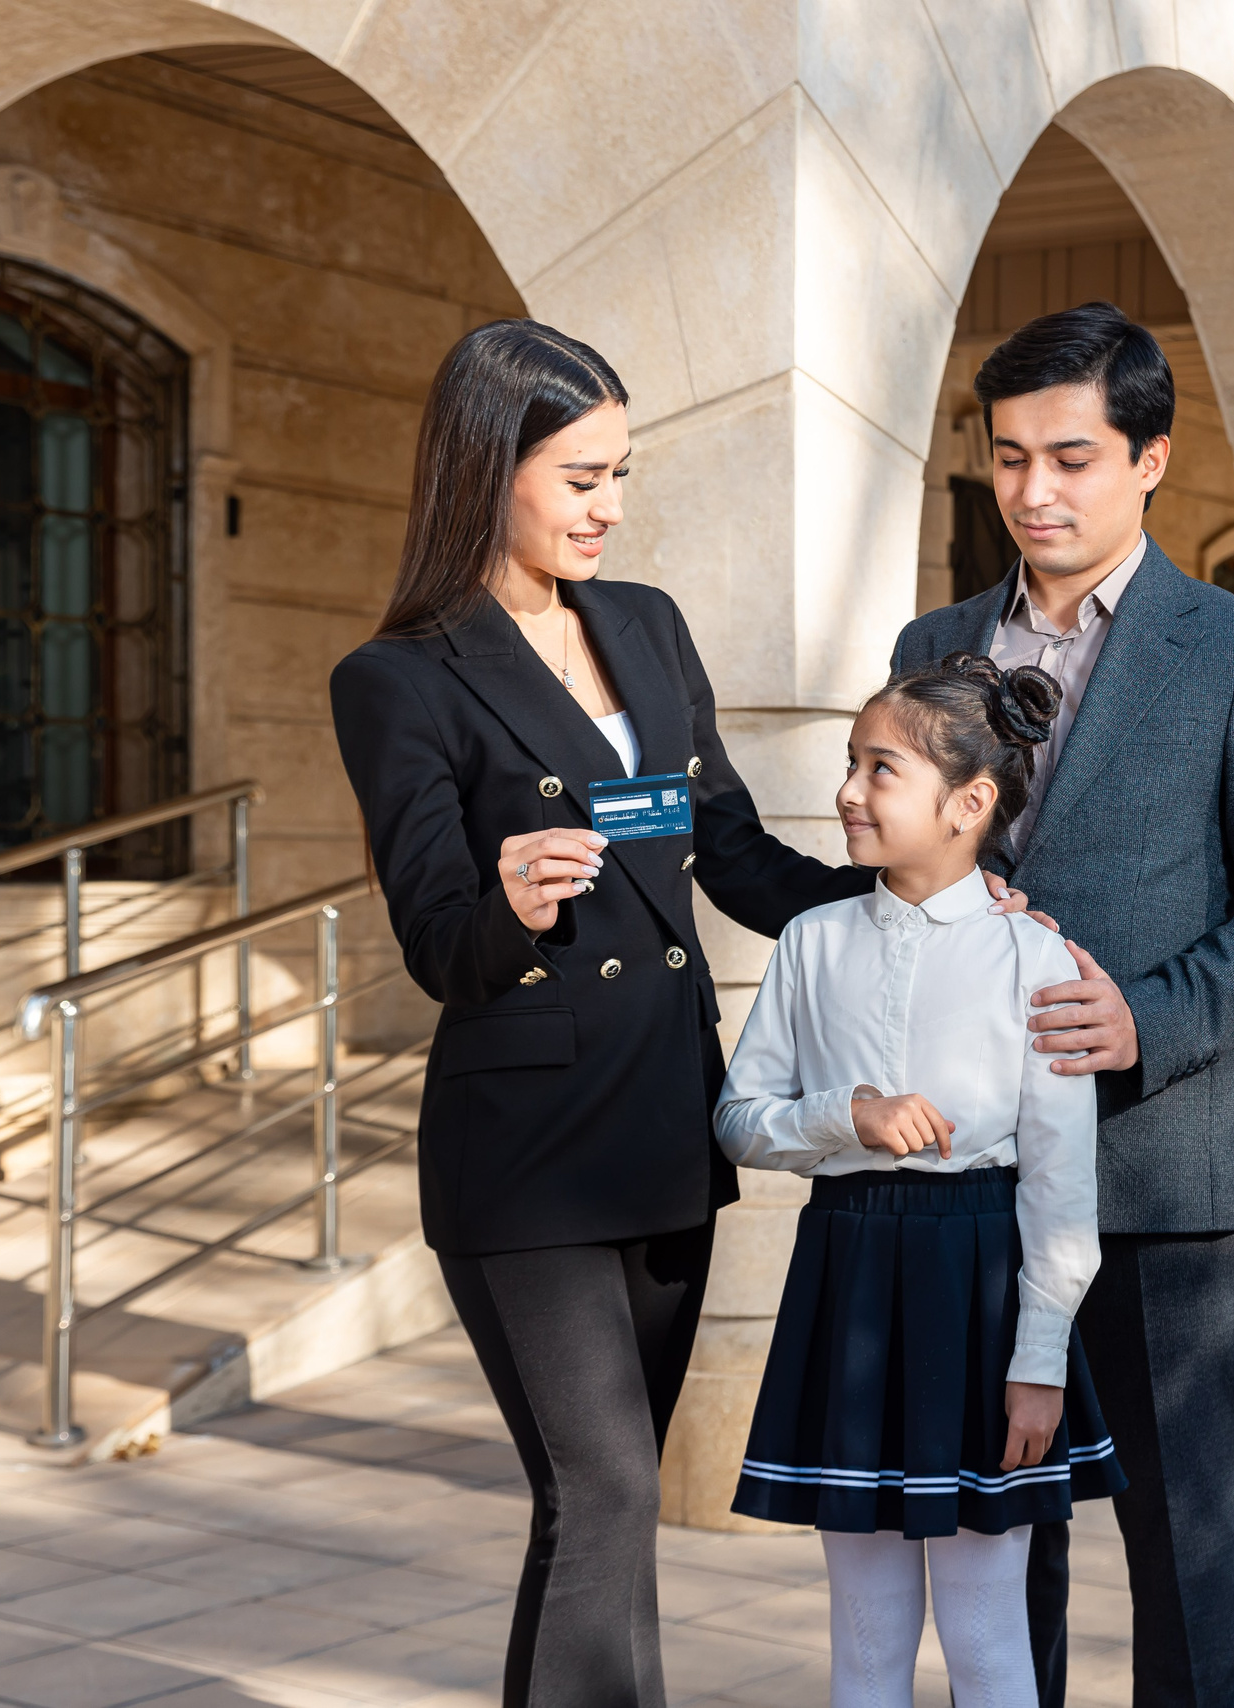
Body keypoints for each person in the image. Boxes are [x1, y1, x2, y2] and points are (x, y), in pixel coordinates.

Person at [328, 321, 1030, 1708]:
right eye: (579, 476)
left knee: (602, 1507)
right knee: (605, 1495)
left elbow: (733, 853)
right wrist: (510, 901)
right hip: (524, 1154)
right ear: (488, 468)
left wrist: (921, 896)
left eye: (621, 475)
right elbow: (435, 947)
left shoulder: (643, 625)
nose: (607, 507)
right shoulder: (398, 678)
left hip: (660, 1127)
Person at [891, 302, 1234, 1707]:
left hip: (1163, 1169)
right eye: (1011, 458)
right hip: (970, 1179)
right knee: (993, 1539)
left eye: (1073, 458)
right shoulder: (937, 642)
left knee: (1185, 1539)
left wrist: (1149, 1016)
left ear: (1150, 459)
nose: (1035, 492)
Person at [714, 655, 1126, 1708]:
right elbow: (737, 1119)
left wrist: (1037, 1357)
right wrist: (842, 1114)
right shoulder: (810, 942)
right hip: (848, 1278)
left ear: (970, 802)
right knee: (865, 1638)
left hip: (981, 1296)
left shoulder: (1035, 960)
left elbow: (1059, 1186)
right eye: (850, 764)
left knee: (988, 1634)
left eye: (880, 769)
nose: (848, 791)